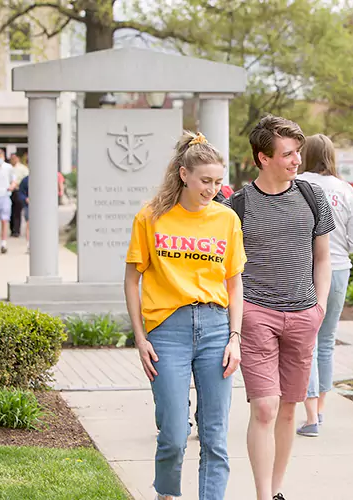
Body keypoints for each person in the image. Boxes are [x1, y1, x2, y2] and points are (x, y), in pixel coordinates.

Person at [123, 131, 246, 500]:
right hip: (166, 332)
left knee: (214, 434)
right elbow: (132, 281)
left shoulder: (226, 220)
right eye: (205, 181)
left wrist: (235, 338)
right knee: (174, 434)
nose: (212, 189)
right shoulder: (150, 217)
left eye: (218, 182)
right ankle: (166, 493)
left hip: (215, 329)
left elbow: (235, 285)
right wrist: (140, 338)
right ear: (183, 174)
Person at [225, 115, 334, 500]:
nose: (296, 161)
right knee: (266, 408)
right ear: (263, 157)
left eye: (298, 153)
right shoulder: (236, 205)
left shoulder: (311, 196)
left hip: (304, 315)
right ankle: (260, 495)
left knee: (289, 408)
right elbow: (228, 270)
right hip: (257, 315)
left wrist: (319, 308)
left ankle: (275, 491)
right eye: (288, 154)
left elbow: (323, 258)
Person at [295, 134, 353, 437]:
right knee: (326, 341)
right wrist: (343, 248)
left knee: (305, 344)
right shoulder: (344, 190)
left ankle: (310, 414)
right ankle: (321, 409)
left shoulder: (297, 185)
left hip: (301, 269)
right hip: (338, 268)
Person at [9, 153, 29, 237]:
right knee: (10, 212)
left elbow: (25, 180)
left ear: (18, 158)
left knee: (17, 212)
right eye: (11, 158)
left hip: (18, 191)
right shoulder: (8, 168)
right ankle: (12, 229)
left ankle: (16, 230)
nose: (13, 160)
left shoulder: (23, 169)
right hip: (9, 191)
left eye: (14, 158)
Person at [17, 175, 30, 252]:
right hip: (28, 205)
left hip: (41, 207)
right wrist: (25, 198)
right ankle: (29, 244)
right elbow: (21, 193)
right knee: (29, 223)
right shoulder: (25, 180)